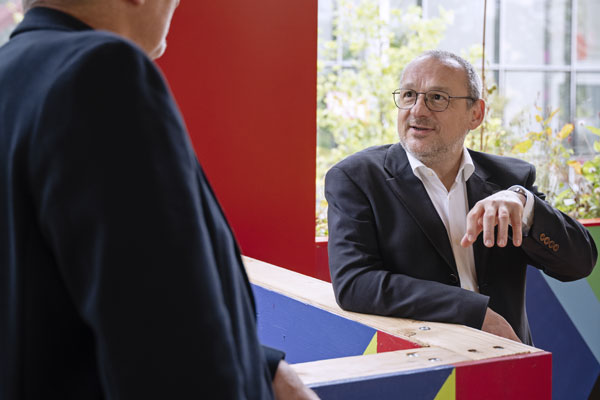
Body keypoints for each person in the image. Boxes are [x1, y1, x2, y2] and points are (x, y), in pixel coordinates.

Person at [0, 0, 318, 399]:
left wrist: (266, 369)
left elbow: (55, 299)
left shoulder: (13, 74)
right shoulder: (102, 71)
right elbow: (168, 347)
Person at [325, 50, 597, 345]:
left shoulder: (509, 179)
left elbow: (578, 264)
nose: (417, 110)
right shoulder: (356, 178)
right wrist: (472, 311)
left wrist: (525, 204)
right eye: (408, 95)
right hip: (424, 362)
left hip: (508, 357)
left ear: (475, 114)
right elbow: (355, 284)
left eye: (437, 98)